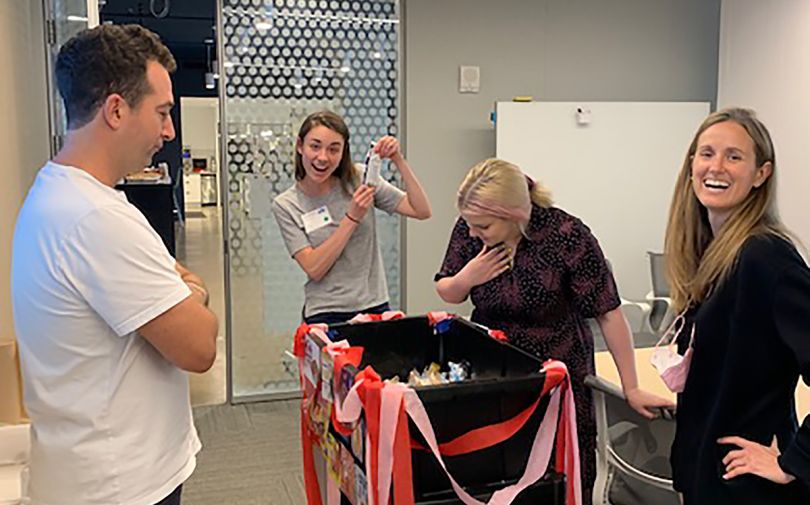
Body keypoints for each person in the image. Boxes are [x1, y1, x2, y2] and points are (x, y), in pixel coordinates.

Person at [11, 25, 218, 505]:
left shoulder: (56, 194)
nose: (169, 132)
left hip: (93, 471)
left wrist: (175, 286)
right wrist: (194, 292)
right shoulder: (97, 218)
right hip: (122, 485)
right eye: (162, 113)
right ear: (117, 110)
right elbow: (200, 346)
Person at [434, 158, 673, 505]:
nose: (473, 233)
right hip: (497, 376)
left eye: (482, 226)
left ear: (514, 214)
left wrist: (631, 386)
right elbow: (448, 290)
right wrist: (468, 277)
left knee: (560, 477)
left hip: (558, 378)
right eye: (470, 225)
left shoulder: (567, 236)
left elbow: (608, 313)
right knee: (497, 473)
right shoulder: (470, 229)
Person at [664, 107, 810, 504]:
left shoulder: (766, 257)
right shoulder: (712, 254)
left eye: (734, 156)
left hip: (746, 488)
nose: (717, 166)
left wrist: (795, 462)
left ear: (761, 174)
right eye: (706, 153)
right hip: (709, 475)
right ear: (691, 163)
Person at [272, 110, 431, 324]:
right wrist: (352, 217)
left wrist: (398, 160)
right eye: (315, 146)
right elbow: (315, 268)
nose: (322, 157)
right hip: (326, 312)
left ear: (343, 152)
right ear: (300, 146)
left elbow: (421, 210)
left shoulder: (360, 178)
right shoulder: (287, 205)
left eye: (333, 149)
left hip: (374, 306)